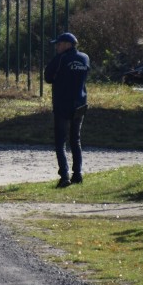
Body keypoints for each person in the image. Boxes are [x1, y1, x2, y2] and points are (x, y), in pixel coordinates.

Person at [44, 32, 90, 188]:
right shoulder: (85, 58)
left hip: (63, 104)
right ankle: (77, 174)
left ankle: (64, 177)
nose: (57, 46)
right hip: (80, 103)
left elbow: (48, 77)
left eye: (59, 43)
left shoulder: (61, 58)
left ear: (68, 45)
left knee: (60, 142)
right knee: (75, 140)